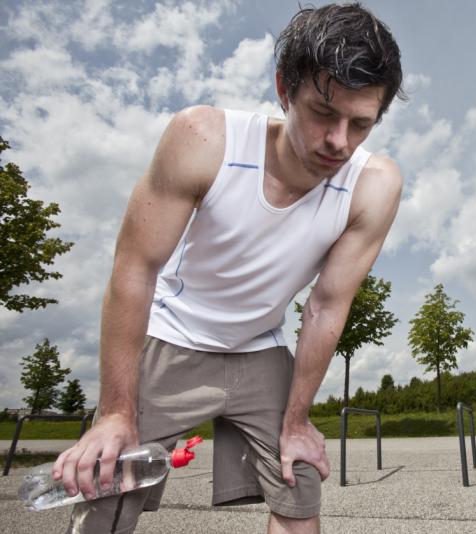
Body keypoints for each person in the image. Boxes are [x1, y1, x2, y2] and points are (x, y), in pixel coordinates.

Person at [52, 3, 405, 533]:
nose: (339, 141)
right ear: (284, 88)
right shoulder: (204, 139)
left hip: (260, 347)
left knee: (298, 480)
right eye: (323, 113)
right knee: (108, 488)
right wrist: (115, 414)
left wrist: (297, 420)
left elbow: (326, 305)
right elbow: (135, 268)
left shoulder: (374, 185)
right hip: (172, 335)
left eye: (360, 124)